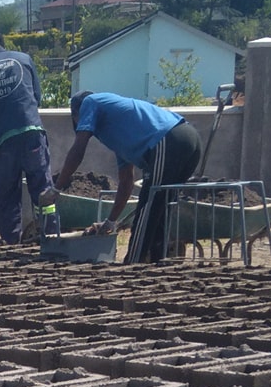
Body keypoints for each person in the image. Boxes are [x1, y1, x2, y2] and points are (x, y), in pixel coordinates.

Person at [53, 91, 201, 262]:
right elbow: (126, 182)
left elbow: (78, 150)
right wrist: (110, 222)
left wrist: (56, 187)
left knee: (149, 206)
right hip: (189, 139)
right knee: (161, 209)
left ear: (77, 115)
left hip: (168, 139)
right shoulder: (118, 133)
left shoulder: (90, 102)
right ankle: (156, 262)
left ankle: (133, 262)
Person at [0, 33, 57, 244]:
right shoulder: (24, 59)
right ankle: (51, 236)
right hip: (33, 134)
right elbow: (36, 97)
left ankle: (9, 241)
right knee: (43, 188)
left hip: (4, 143)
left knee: (7, 196)